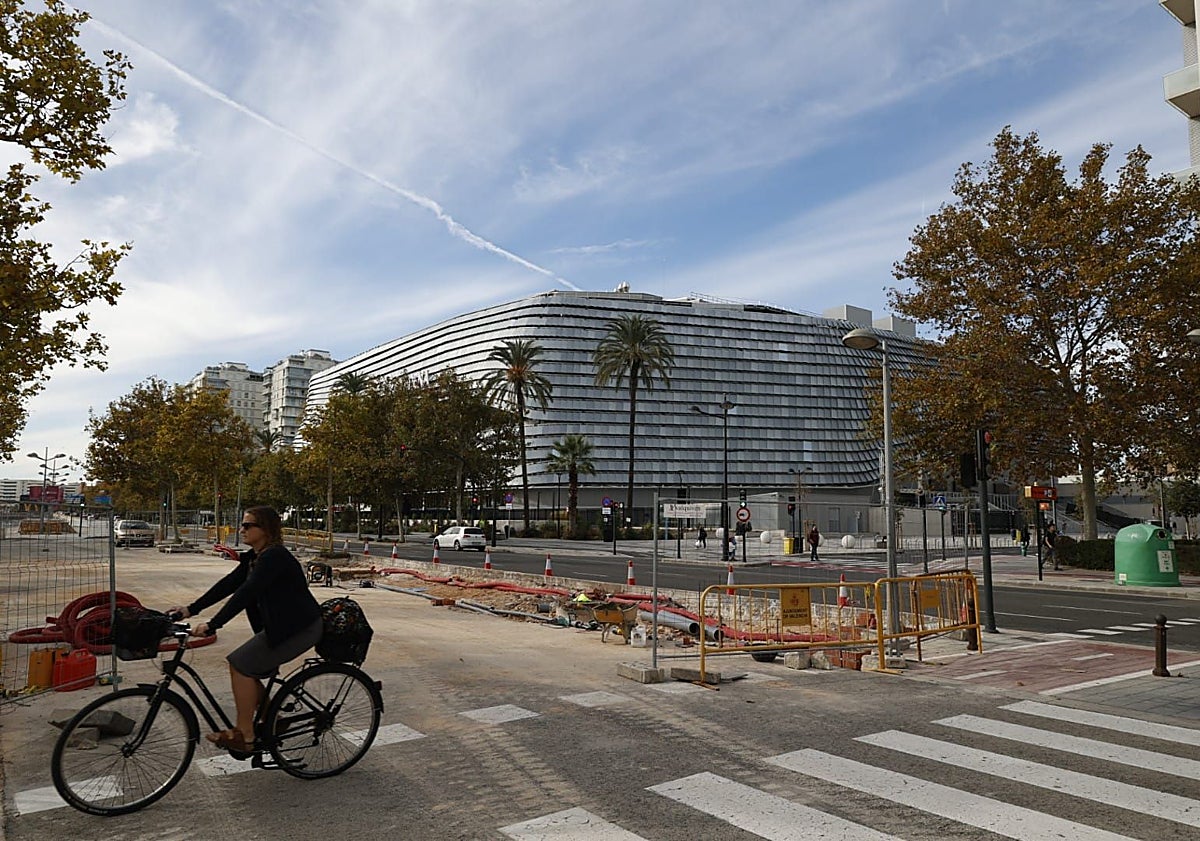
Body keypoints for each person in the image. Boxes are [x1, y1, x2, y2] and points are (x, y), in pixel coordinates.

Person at [172, 505, 323, 753]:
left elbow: (246, 592)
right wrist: (190, 609)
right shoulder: (256, 557)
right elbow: (228, 585)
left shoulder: (275, 557)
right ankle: (273, 718)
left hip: (300, 628)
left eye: (247, 525)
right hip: (282, 627)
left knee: (240, 664)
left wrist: (213, 624)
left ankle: (245, 735)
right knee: (246, 666)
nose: (241, 529)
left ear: (265, 529)